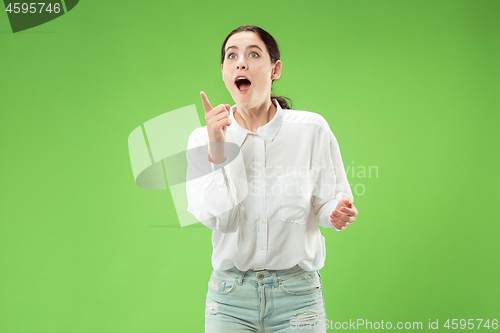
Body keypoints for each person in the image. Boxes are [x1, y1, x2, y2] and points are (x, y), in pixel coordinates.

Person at [186, 25, 359, 332]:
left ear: (275, 68)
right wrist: (217, 147)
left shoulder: (312, 129)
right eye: (232, 56)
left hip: (298, 296)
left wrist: (336, 213)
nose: (242, 62)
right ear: (224, 71)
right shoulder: (201, 139)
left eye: (253, 54)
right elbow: (221, 220)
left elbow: (327, 204)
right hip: (229, 301)